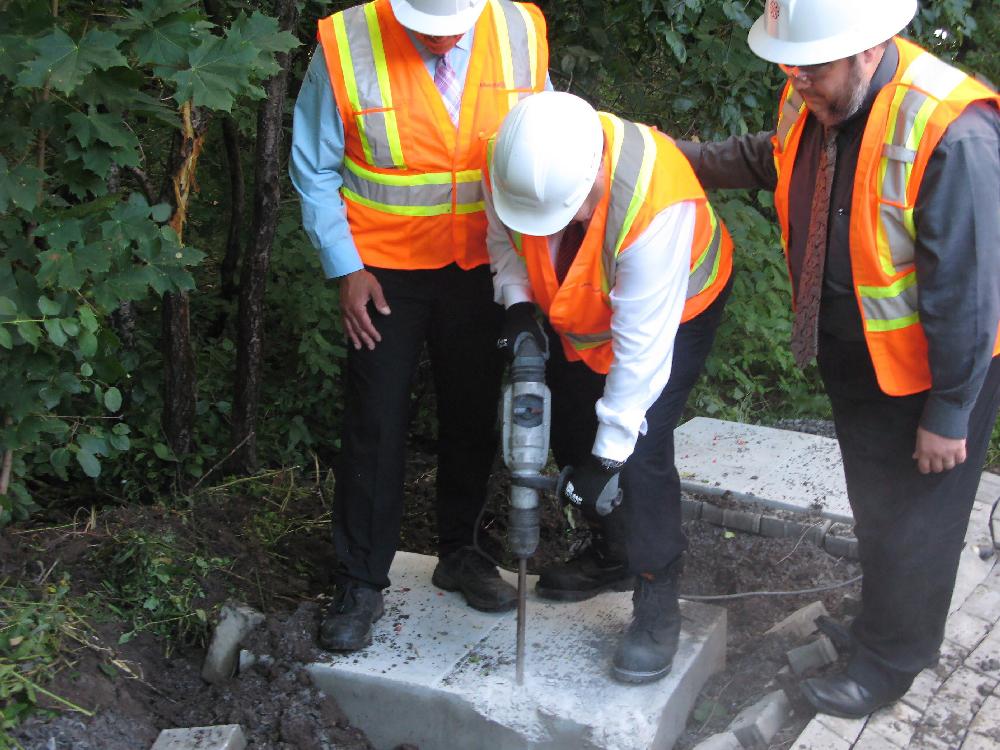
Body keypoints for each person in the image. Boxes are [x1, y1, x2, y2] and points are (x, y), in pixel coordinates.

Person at [677, 0, 1000, 718]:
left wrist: (950, 411)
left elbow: (972, 290)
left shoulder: (949, 130)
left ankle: (889, 664)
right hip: (859, 358)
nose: (796, 84)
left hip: (936, 372)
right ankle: (877, 625)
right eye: (789, 68)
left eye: (810, 69)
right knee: (880, 509)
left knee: (920, 523)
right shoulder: (816, 93)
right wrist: (687, 159)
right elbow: (773, 156)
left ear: (867, 48)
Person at [289, 0, 550, 652]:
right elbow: (314, 165)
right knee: (376, 420)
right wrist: (344, 266)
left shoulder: (518, 30)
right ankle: (360, 582)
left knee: (469, 414)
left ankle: (460, 551)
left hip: (485, 261)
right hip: (384, 272)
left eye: (450, 31)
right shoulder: (347, 44)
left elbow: (544, 142)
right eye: (425, 32)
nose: (440, 43)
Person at [485, 91, 734, 684]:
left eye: (566, 213)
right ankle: (616, 552)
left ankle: (656, 600)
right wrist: (517, 302)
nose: (557, 225)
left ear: (594, 172)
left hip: (675, 309)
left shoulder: (657, 201)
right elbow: (505, 239)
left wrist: (611, 452)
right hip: (581, 314)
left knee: (639, 453)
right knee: (573, 427)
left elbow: (641, 353)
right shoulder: (513, 161)